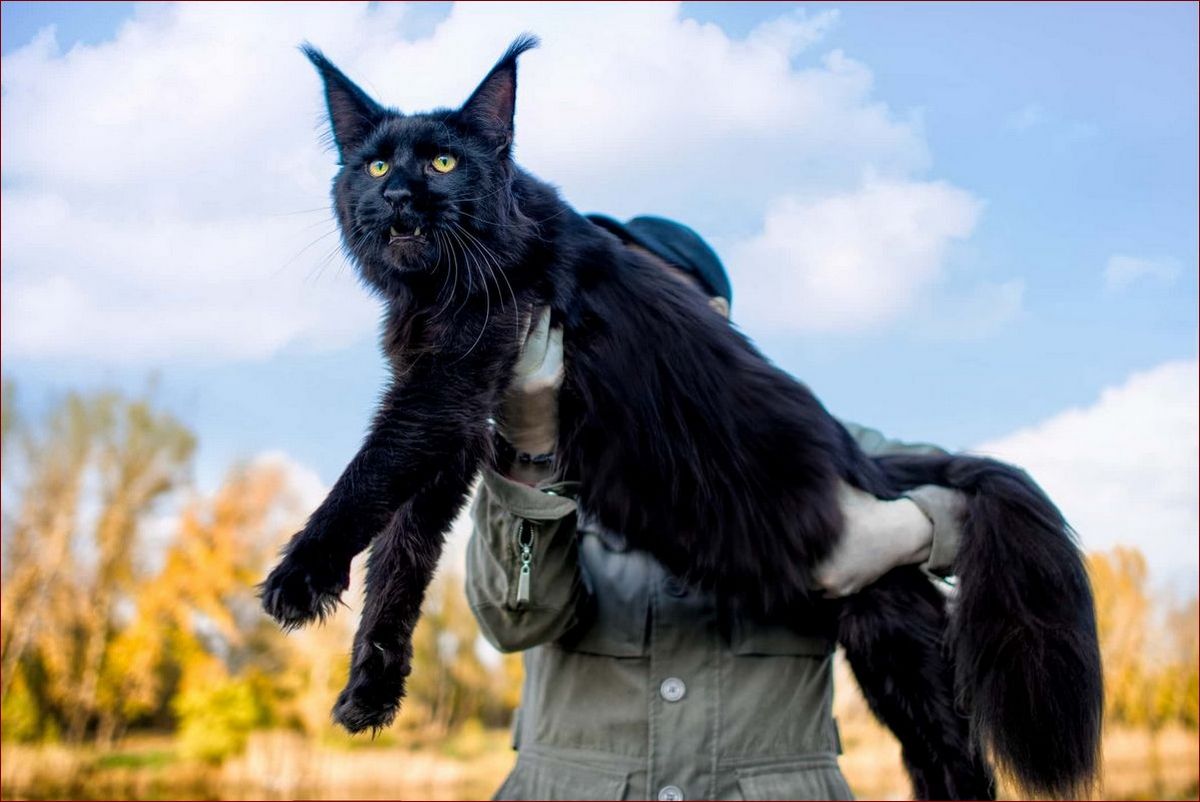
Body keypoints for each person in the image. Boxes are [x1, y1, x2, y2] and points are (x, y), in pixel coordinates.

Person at [466, 215, 965, 801]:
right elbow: (516, 622)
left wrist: (908, 527)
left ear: (714, 318)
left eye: (644, 287)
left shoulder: (823, 446)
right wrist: (531, 450)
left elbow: (1004, 511)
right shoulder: (544, 449)